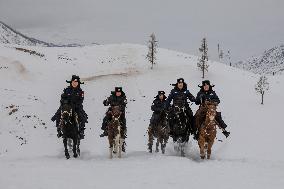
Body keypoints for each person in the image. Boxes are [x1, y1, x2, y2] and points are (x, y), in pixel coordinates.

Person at [51, 75, 88, 139]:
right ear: (71, 82)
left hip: (77, 107)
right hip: (66, 106)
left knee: (82, 116)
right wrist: (65, 103)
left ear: (78, 83)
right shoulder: (66, 90)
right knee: (58, 114)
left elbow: (81, 100)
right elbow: (62, 98)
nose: (75, 83)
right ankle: (59, 129)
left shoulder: (80, 91)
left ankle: (81, 131)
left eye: (76, 82)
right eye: (73, 82)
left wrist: (74, 105)